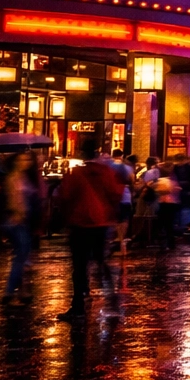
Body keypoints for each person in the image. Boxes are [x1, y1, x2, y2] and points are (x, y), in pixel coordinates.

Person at [57, 137, 121, 323]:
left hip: (80, 223)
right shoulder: (107, 172)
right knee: (102, 262)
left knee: (79, 266)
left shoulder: (77, 173)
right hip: (101, 223)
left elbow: (66, 196)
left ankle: (78, 307)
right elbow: (115, 194)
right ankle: (113, 302)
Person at [0, 150, 40, 306]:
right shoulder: (14, 178)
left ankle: (20, 291)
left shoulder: (23, 177)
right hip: (18, 221)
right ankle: (9, 293)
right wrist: (20, 214)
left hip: (22, 221)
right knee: (21, 259)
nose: (27, 162)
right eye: (23, 159)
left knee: (22, 257)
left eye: (28, 159)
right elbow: (14, 200)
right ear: (16, 161)